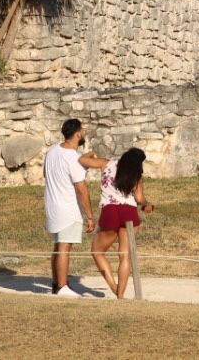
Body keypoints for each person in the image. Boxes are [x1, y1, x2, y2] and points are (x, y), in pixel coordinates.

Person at [83, 146, 155, 299]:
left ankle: (114, 287)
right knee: (124, 256)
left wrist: (91, 153)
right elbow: (139, 198)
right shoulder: (136, 175)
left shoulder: (106, 163)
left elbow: (82, 160)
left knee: (97, 251)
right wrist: (147, 204)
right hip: (129, 212)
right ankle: (120, 295)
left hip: (110, 211)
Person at [43, 118, 97, 297]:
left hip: (53, 207)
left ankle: (56, 283)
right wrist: (90, 216)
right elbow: (81, 188)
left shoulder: (52, 152)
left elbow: (51, 174)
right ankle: (62, 286)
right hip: (68, 209)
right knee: (65, 247)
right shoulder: (72, 158)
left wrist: (87, 157)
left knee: (58, 246)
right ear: (78, 134)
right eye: (83, 130)